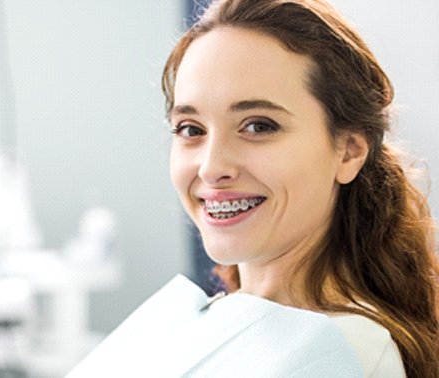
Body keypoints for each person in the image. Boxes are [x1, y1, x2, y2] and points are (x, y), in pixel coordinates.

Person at [69, 0, 439, 377]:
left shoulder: (334, 355)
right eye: (191, 129)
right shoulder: (217, 317)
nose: (212, 167)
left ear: (349, 150)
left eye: (259, 126)